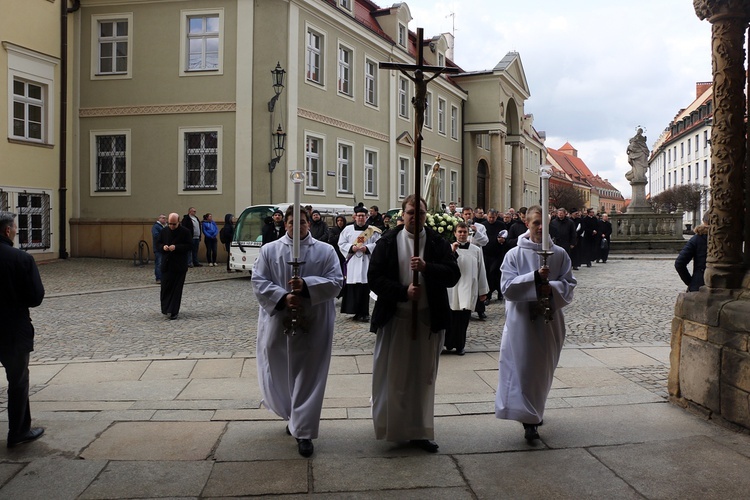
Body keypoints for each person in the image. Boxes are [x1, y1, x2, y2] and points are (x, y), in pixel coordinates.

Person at [368, 195, 460, 453]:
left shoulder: (435, 242)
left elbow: (453, 274)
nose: (414, 217)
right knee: (395, 377)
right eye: (410, 212)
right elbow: (374, 278)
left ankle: (420, 430)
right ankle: (394, 428)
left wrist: (428, 267)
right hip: (396, 319)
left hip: (427, 319)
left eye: (419, 213)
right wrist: (402, 292)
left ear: (425, 215)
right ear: (402, 213)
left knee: (423, 378)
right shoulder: (388, 241)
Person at [251, 206, 343, 458]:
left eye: (302, 221)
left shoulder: (325, 251)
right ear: (285, 224)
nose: (297, 226)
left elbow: (336, 282)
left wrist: (307, 286)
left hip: (314, 322)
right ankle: (292, 413)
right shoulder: (270, 250)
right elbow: (259, 281)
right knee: (279, 368)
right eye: (292, 222)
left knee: (310, 374)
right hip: (278, 321)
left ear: (309, 224)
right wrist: (282, 297)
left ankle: (304, 431)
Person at [495, 205, 576, 443]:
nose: (541, 228)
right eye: (536, 223)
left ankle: (535, 409)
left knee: (542, 370)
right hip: (521, 322)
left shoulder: (559, 253)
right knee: (523, 368)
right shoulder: (514, 255)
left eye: (545, 223)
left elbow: (569, 285)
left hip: (549, 322)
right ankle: (529, 420)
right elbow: (507, 288)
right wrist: (532, 279)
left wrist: (549, 287)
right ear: (526, 224)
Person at [0, 212, 45, 448]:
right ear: (7, 231)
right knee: (17, 381)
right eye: (16, 228)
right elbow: (35, 297)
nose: (16, 231)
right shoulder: (21, 259)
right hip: (12, 329)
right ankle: (18, 431)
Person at [445, 222, 488, 355]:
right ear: (455, 233)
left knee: (463, 319)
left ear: (468, 233)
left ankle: (460, 345)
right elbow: (444, 265)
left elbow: (481, 270)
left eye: (465, 232)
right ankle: (448, 343)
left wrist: (483, 290)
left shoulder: (476, 250)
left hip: (468, 287)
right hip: (453, 288)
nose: (462, 234)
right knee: (450, 318)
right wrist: (452, 252)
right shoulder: (448, 248)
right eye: (460, 232)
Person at [338, 206, 381, 322]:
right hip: (353, 262)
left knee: (364, 288)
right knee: (354, 288)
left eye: (363, 216)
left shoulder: (373, 231)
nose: (361, 218)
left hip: (366, 262)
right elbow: (341, 243)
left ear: (366, 217)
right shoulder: (347, 230)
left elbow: (378, 245)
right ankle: (356, 312)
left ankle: (364, 313)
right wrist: (351, 247)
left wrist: (366, 248)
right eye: (359, 216)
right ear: (355, 217)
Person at [159, 213, 192, 320]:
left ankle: (174, 311)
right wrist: (163, 247)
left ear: (179, 222)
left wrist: (176, 247)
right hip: (167, 264)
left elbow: (189, 246)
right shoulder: (164, 231)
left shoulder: (185, 232)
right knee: (165, 287)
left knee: (176, 290)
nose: (172, 226)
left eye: (174, 224)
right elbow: (157, 244)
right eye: (170, 224)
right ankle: (166, 308)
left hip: (179, 266)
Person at [674, 213, 709, 292]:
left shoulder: (697, 238)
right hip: (728, 286)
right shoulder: (728, 238)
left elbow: (679, 263)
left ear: (703, 221)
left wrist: (691, 282)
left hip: (700, 284)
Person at [481, 209, 507, 302]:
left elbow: (505, 236)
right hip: (486, 252)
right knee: (488, 274)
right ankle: (488, 294)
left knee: (496, 273)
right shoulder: (483, 225)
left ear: (496, 216)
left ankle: (499, 292)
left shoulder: (501, 225)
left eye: (493, 217)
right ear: (487, 216)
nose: (491, 219)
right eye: (490, 217)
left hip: (497, 253)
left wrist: (502, 240)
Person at [151, 214, 167, 283]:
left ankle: (164, 277)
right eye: (163, 218)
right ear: (159, 219)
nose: (164, 219)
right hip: (158, 248)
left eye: (165, 218)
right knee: (159, 263)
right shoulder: (156, 226)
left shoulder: (166, 226)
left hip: (165, 247)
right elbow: (156, 236)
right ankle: (158, 278)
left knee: (164, 263)